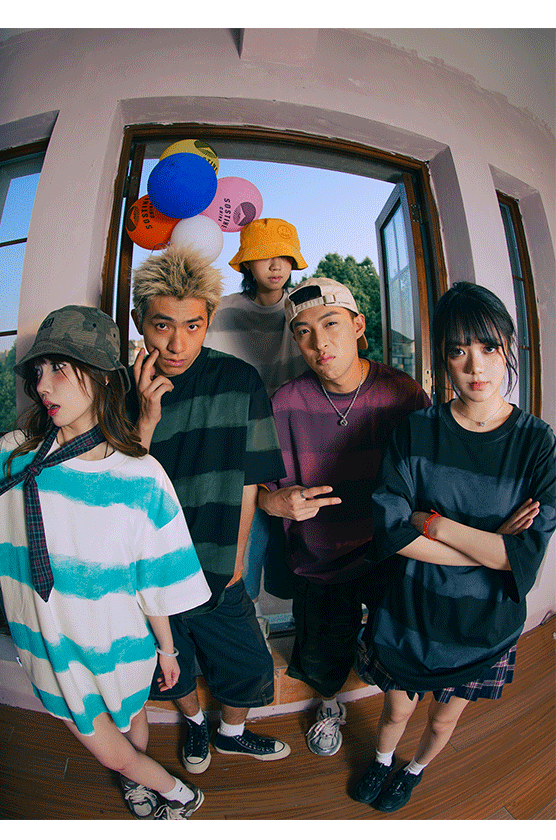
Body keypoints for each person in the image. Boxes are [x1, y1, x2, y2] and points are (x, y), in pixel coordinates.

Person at [0, 305, 212, 820]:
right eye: (38, 371)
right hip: (53, 647)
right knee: (109, 749)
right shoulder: (14, 456)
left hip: (124, 644)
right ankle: (180, 794)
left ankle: (136, 783)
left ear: (101, 377)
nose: (42, 385)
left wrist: (167, 650)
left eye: (59, 368)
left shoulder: (142, 476)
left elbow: (152, 581)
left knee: (133, 718)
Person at [352, 282, 556, 813]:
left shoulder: (538, 443)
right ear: (442, 357)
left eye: (488, 347)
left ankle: (412, 772)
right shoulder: (416, 430)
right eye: (458, 350)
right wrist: (493, 543)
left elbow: (523, 561)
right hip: (410, 615)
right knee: (396, 712)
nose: (475, 366)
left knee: (443, 721)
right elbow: (393, 533)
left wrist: (436, 525)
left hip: (481, 625)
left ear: (509, 346)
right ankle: (381, 761)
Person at [127, 244, 291, 776]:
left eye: (193, 326)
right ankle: (195, 722)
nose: (177, 344)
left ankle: (231, 733)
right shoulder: (120, 391)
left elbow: (249, 480)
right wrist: (145, 418)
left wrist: (239, 558)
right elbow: (121, 491)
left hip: (220, 560)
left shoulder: (240, 381)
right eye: (162, 326)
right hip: (149, 566)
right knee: (171, 663)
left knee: (248, 662)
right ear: (140, 321)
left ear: (208, 321)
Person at [258, 277, 431, 758]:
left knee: (394, 641)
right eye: (304, 332)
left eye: (331, 323)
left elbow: (431, 475)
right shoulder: (285, 403)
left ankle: (391, 726)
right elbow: (257, 487)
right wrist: (275, 502)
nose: (319, 342)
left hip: (391, 553)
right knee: (321, 649)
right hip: (319, 555)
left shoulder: (403, 394)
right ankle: (329, 704)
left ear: (357, 325)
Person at [204, 217, 309, 640]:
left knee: (301, 552)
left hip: (296, 445)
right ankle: (245, 635)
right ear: (246, 263)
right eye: (264, 256)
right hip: (240, 448)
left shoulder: (304, 310)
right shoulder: (223, 311)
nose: (276, 265)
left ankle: (301, 633)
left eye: (284, 256)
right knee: (241, 553)